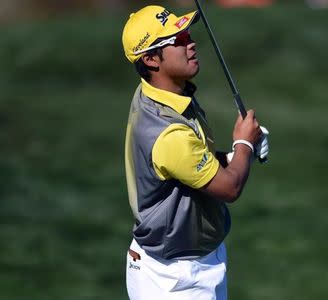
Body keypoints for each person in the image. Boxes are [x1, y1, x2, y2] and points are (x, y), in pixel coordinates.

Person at [121, 5, 269, 300]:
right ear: (151, 59)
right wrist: (244, 145)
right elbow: (229, 187)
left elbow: (193, 166)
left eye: (187, 33)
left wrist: (241, 153)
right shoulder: (167, 131)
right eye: (177, 39)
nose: (190, 42)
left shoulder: (166, 95)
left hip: (189, 265)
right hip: (175, 280)